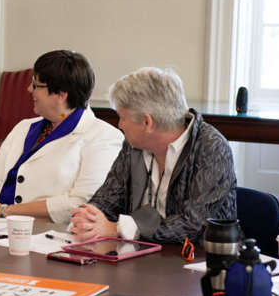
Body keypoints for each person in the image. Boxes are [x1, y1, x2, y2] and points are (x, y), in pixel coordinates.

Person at [70, 67, 236, 244]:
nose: (120, 125)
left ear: (147, 122)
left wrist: (117, 229)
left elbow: (193, 225)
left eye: (122, 117)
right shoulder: (134, 144)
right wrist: (88, 217)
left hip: (197, 261)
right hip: (137, 254)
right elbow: (108, 198)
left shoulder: (212, 148)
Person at [0, 50, 123, 224]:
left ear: (61, 94)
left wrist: (6, 211)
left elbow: (82, 202)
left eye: (36, 85)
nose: (29, 89)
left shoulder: (103, 137)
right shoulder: (23, 127)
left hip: (43, 233)